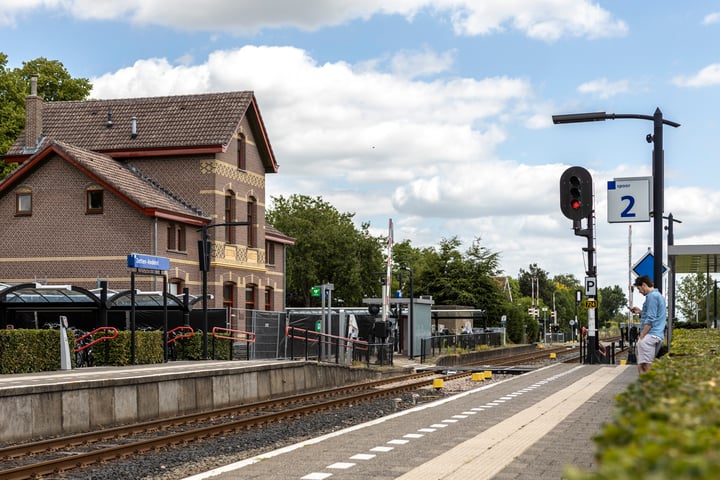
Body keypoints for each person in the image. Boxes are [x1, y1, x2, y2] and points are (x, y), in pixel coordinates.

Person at [629, 275, 667, 373]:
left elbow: (651, 319)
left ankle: (646, 387)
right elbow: (655, 314)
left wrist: (642, 336)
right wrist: (641, 312)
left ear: (644, 285)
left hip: (650, 335)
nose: (639, 291)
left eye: (639, 288)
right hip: (656, 334)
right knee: (645, 365)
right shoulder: (657, 295)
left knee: (644, 366)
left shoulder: (652, 296)